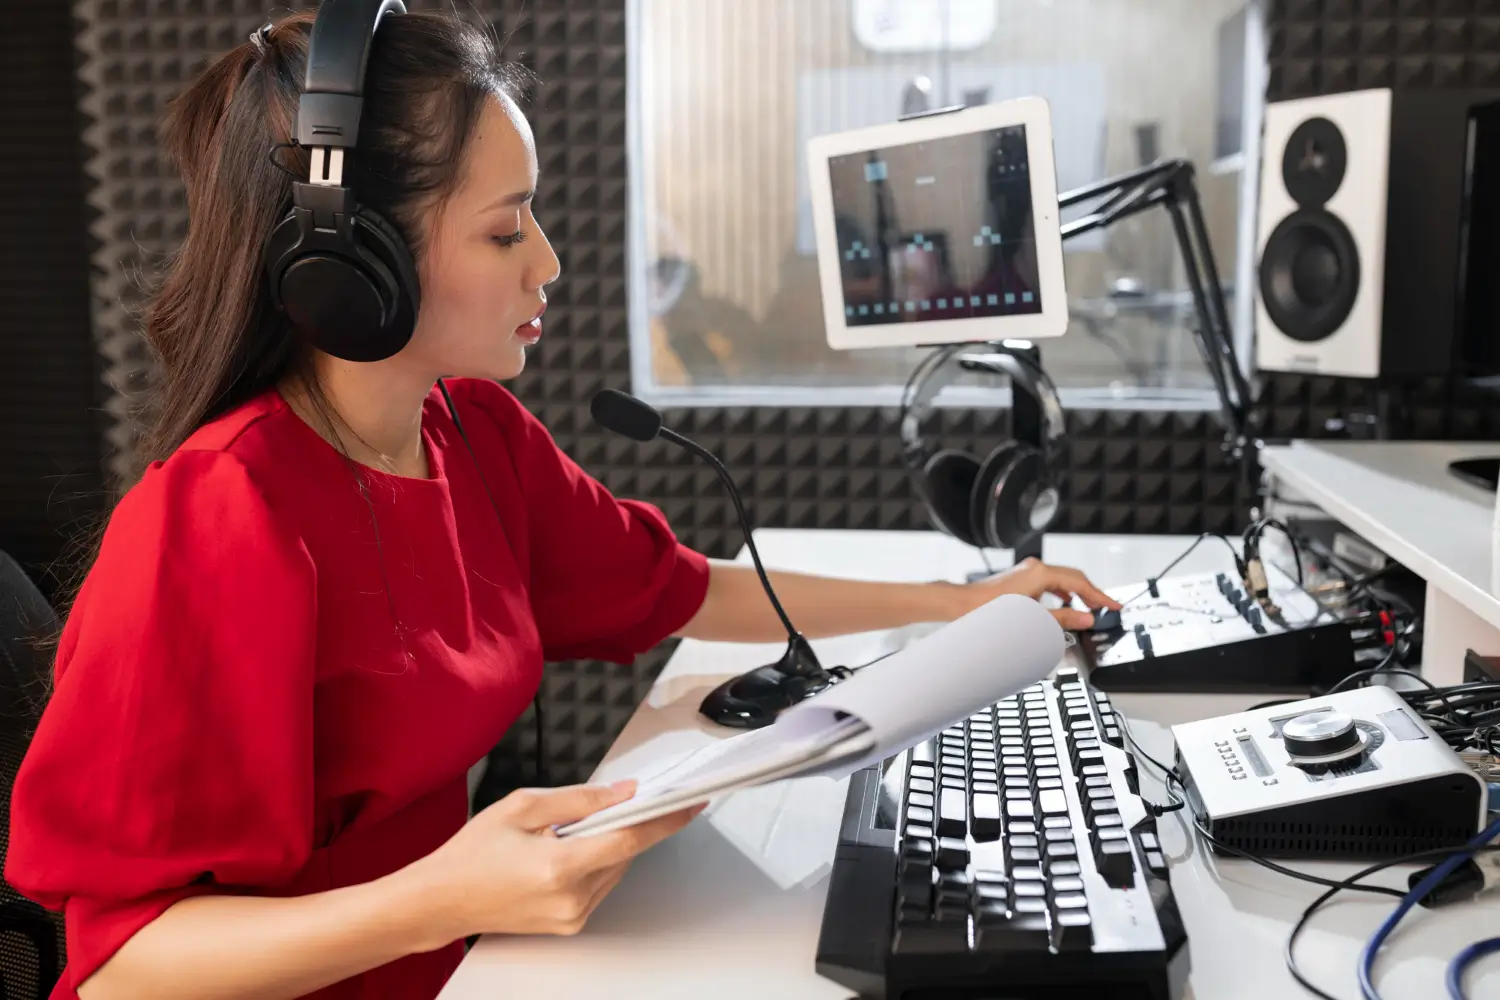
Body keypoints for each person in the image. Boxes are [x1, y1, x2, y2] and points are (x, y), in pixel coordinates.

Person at [4, 10, 1120, 1000]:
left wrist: (962, 603)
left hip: (475, 958)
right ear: (351, 261)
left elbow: (679, 587)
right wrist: (442, 896)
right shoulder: (214, 519)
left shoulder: (472, 435)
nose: (548, 263)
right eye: (505, 229)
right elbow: (122, 967)